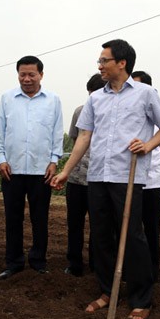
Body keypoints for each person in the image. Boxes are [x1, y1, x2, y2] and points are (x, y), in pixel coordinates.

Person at [52, 39, 160, 319]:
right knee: (102, 235)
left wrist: (147, 144)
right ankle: (107, 291)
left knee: (132, 236)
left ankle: (142, 297)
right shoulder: (96, 99)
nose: (100, 65)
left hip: (127, 176)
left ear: (122, 63)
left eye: (104, 60)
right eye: (99, 61)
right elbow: (84, 137)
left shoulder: (146, 94)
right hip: (97, 176)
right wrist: (67, 170)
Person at [0, 56, 64, 280]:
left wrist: (54, 161)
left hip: (41, 171)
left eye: (31, 74)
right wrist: (1, 159)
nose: (27, 79)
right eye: (22, 74)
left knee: (39, 218)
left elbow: (57, 134)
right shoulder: (7, 98)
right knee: (12, 218)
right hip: (11, 170)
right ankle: (13, 262)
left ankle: (38, 260)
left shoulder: (53, 101)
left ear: (41, 75)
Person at [131, 70, 160, 282]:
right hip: (128, 183)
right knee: (130, 230)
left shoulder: (159, 116)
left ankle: (152, 271)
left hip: (153, 183)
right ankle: (133, 271)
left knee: (151, 230)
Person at [64, 73, 106, 277]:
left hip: (101, 180)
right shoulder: (80, 112)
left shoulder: (112, 113)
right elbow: (76, 142)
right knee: (75, 224)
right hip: (77, 178)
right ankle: (74, 263)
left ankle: (97, 264)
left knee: (100, 226)